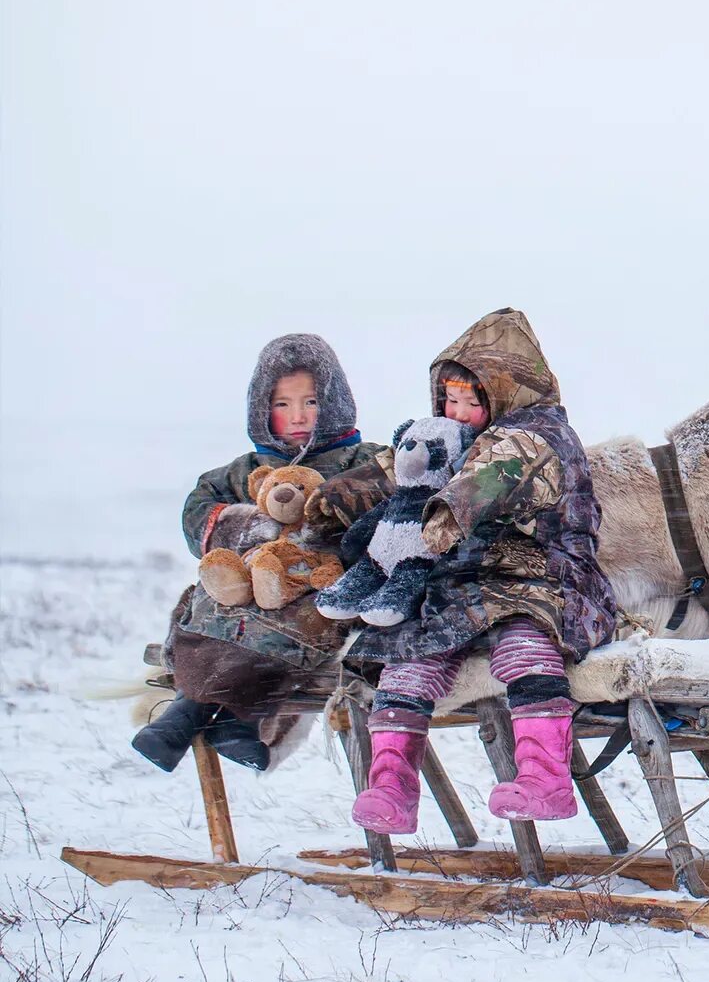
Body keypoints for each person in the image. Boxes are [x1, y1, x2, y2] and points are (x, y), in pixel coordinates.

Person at [333, 309, 619, 833]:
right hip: (464, 583)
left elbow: (490, 478)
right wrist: (342, 493)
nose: (459, 413)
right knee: (409, 656)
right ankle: (391, 787)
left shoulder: (537, 437)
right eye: (450, 401)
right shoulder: (456, 435)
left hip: (543, 575)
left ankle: (545, 779)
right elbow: (402, 464)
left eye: (472, 401)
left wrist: (441, 518)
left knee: (524, 643)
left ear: (506, 395)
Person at [132, 334, 387, 771]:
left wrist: (316, 534)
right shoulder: (243, 471)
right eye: (283, 404)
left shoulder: (366, 460)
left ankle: (221, 717)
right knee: (213, 596)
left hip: (318, 591)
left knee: (306, 617)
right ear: (262, 409)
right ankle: (195, 715)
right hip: (244, 589)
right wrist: (257, 530)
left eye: (310, 401)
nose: (298, 416)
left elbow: (390, 508)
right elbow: (198, 514)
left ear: (335, 401)